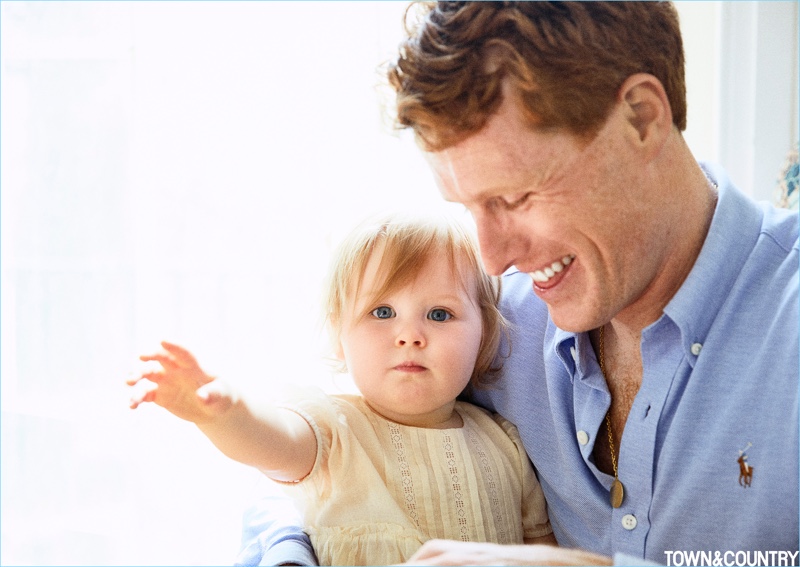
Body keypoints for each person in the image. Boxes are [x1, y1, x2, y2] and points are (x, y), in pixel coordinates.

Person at [243, 2, 799, 565]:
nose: (493, 256)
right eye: (469, 209)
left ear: (641, 118)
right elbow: (329, 462)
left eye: (514, 199)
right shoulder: (491, 321)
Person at [127, 213, 556, 566]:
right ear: (339, 337)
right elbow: (273, 441)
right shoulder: (335, 429)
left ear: (484, 336)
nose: (409, 334)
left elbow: (544, 551)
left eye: (440, 314)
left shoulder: (506, 443)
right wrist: (222, 414)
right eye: (382, 311)